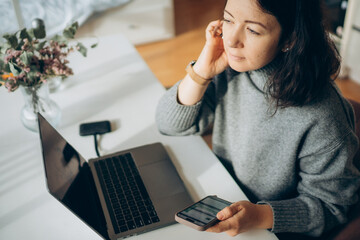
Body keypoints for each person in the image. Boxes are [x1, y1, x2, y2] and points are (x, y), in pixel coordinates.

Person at [156, 0, 360, 238]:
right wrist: (201, 72)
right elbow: (169, 125)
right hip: (225, 197)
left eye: (252, 30)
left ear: (290, 40)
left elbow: (332, 207)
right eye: (229, 20)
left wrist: (259, 215)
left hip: (273, 230)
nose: (231, 40)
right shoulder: (232, 67)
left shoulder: (324, 115)